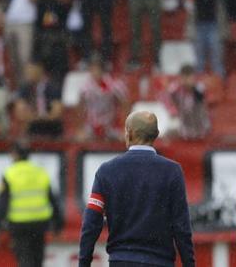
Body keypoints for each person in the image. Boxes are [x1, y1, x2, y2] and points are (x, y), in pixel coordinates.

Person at [78, 112, 194, 267]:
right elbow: (181, 226)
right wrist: (189, 263)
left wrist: (83, 262)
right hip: (159, 262)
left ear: (129, 133)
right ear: (156, 135)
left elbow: (91, 223)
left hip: (121, 260)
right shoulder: (172, 172)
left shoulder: (107, 171)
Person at [0, 141, 63, 267]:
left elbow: (3, 203)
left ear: (14, 154)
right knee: (37, 260)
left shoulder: (9, 174)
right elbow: (52, 199)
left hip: (19, 225)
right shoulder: (40, 172)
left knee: (25, 260)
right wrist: (58, 223)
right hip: (39, 224)